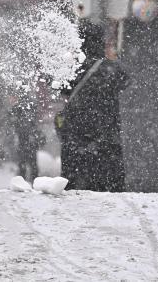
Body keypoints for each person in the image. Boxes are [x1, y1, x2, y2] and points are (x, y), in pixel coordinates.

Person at [58, 19, 130, 192]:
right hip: (106, 141)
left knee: (74, 190)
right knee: (108, 192)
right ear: (101, 42)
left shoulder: (72, 69)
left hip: (75, 142)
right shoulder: (111, 70)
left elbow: (61, 88)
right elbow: (126, 80)